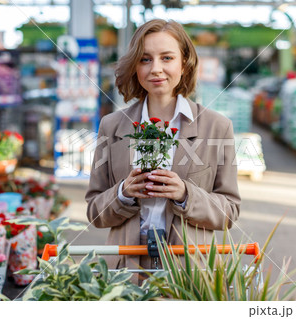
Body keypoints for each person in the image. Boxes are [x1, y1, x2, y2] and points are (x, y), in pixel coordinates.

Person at [85, 19, 240, 281]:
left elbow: (229, 213)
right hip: (126, 269)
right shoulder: (111, 126)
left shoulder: (217, 127)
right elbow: (94, 213)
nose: (156, 69)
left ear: (184, 63)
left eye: (166, 58)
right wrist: (123, 193)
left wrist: (185, 194)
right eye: (145, 59)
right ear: (135, 66)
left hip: (188, 273)